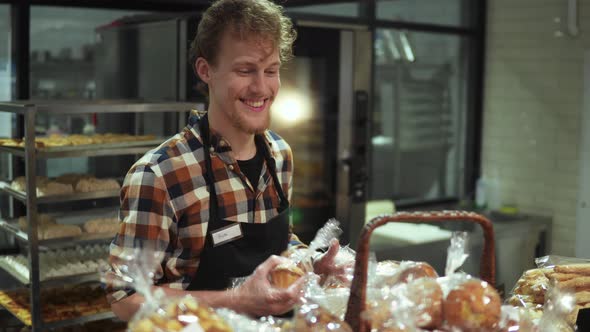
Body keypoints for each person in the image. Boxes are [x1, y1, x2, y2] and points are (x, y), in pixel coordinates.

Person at [105, 0, 348, 321]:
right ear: (206, 71)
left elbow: (280, 243)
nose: (262, 87)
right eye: (245, 70)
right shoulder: (161, 174)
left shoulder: (279, 154)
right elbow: (126, 300)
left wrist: (311, 261)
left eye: (271, 71)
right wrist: (237, 300)